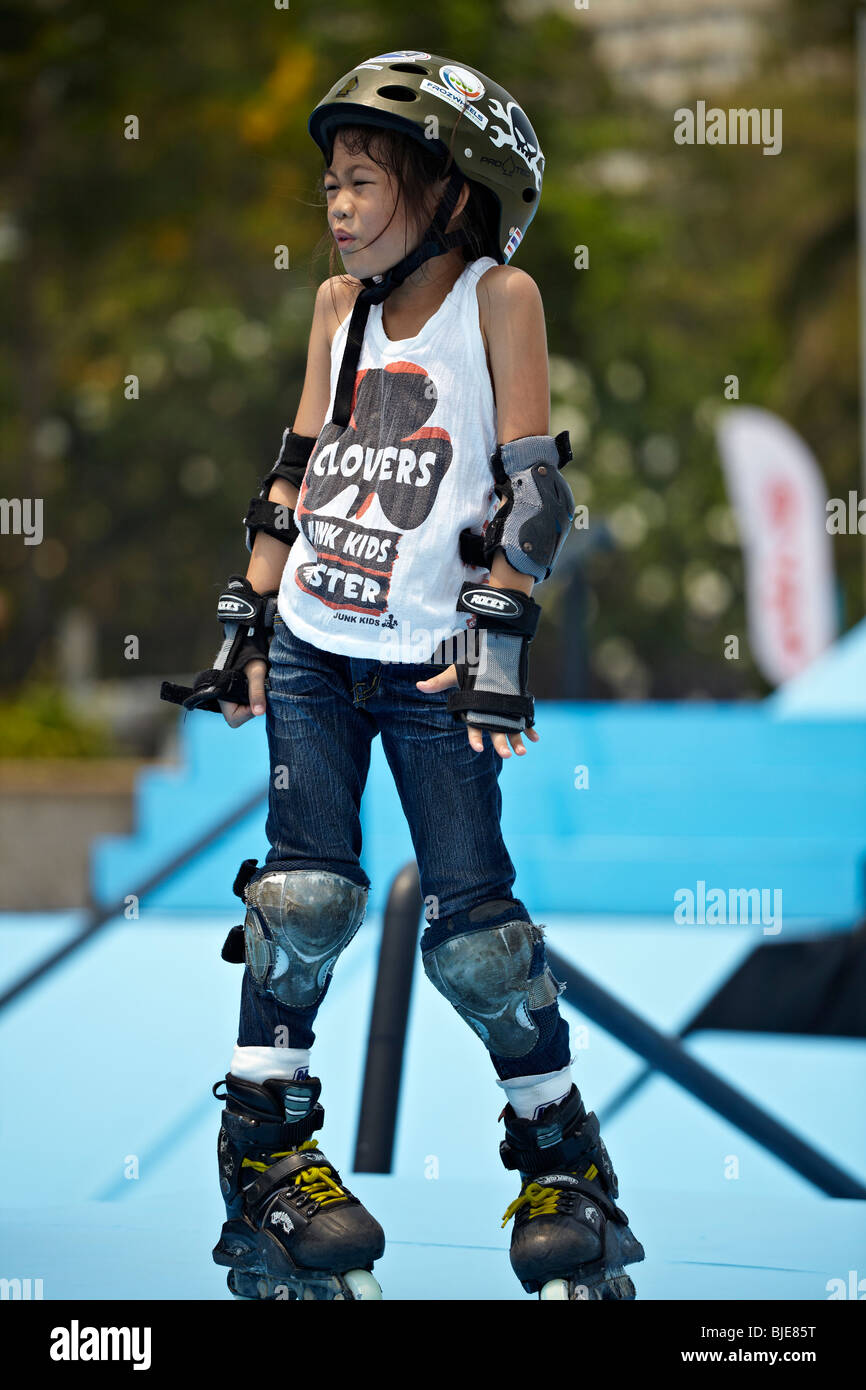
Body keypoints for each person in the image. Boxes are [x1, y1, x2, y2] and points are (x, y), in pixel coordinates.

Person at [167, 49, 644, 1301]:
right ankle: (266, 1159)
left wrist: (496, 647)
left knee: (477, 931)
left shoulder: (503, 299)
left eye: (363, 180)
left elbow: (534, 492)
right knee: (303, 897)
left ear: (449, 186)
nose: (336, 203)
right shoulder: (339, 307)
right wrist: (245, 626)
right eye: (331, 180)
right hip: (320, 646)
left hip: (433, 664)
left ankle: (562, 1168)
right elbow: (295, 470)